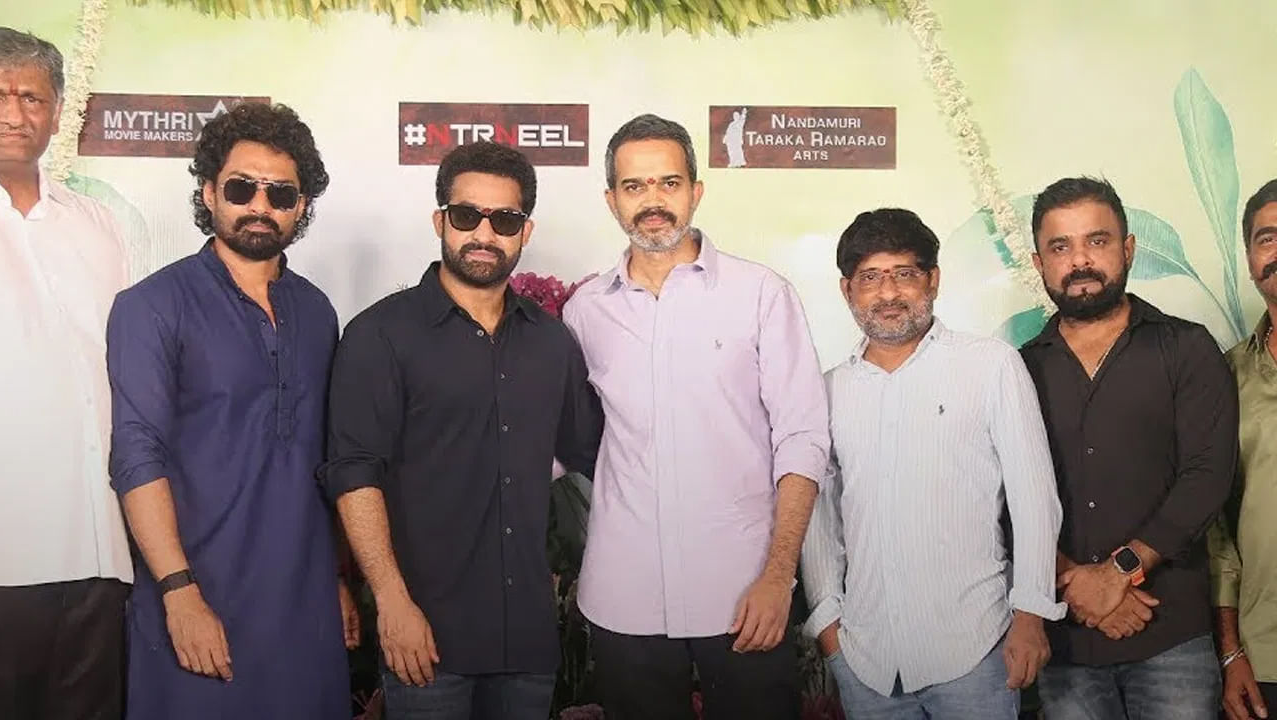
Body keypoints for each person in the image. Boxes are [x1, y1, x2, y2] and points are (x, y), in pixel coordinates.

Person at [319, 140, 603, 720]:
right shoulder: (380, 336)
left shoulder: (552, 342)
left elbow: (597, 455)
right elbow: (354, 476)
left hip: (527, 642)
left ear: (525, 231)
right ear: (440, 221)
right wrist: (392, 602)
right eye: (467, 215)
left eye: (505, 220)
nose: (484, 234)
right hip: (425, 638)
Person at [563, 113, 830, 720]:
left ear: (695, 191)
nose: (653, 200)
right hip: (624, 599)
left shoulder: (761, 294)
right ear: (611, 200)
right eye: (634, 186)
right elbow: (566, 438)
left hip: (744, 596)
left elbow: (803, 439)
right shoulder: (585, 311)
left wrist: (778, 577)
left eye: (669, 182)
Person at [107, 101, 356, 720]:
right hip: (198, 594)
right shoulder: (151, 305)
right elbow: (136, 454)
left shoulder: (317, 312)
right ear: (209, 192)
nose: (260, 206)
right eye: (243, 188)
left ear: (301, 206)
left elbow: (325, 458)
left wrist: (337, 577)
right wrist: (177, 590)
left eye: (281, 193)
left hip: (304, 602)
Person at [801, 208, 1064, 719]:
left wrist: (1032, 613)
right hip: (867, 661)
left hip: (976, 651)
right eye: (870, 277)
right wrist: (830, 630)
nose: (888, 293)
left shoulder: (990, 366)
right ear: (847, 290)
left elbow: (1035, 498)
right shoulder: (828, 391)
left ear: (934, 280)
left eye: (905, 273)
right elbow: (819, 517)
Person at [1020, 176, 1237, 719]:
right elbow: (1003, 496)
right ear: (1039, 263)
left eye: (1097, 240)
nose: (1080, 260)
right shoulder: (1018, 370)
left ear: (1129, 249)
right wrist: (1073, 584)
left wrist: (1119, 571)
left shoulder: (1187, 348)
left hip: (1170, 634)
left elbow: (1207, 475)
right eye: (1060, 247)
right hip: (1066, 641)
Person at [0, 26, 132, 720]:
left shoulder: (99, 223)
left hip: (99, 544)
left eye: (32, 97)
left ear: (56, 114)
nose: (14, 113)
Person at [1210, 178, 1277, 720]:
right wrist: (1231, 652)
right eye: (1266, 238)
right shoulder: (1224, 377)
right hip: (1265, 654)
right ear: (1251, 259)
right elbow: (1217, 531)